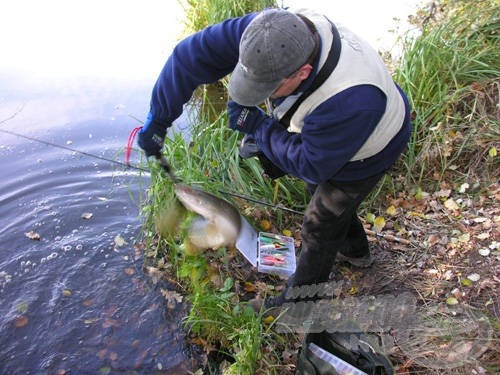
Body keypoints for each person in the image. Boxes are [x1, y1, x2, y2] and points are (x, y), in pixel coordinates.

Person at [137, 8, 412, 311]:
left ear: (302, 73)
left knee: (321, 222)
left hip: (371, 145)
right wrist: (158, 120)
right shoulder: (268, 33)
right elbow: (188, 58)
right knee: (321, 199)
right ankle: (355, 252)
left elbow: (311, 164)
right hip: (329, 128)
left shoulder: (352, 101)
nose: (252, 95)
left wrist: (258, 126)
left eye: (266, 88)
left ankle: (297, 303)